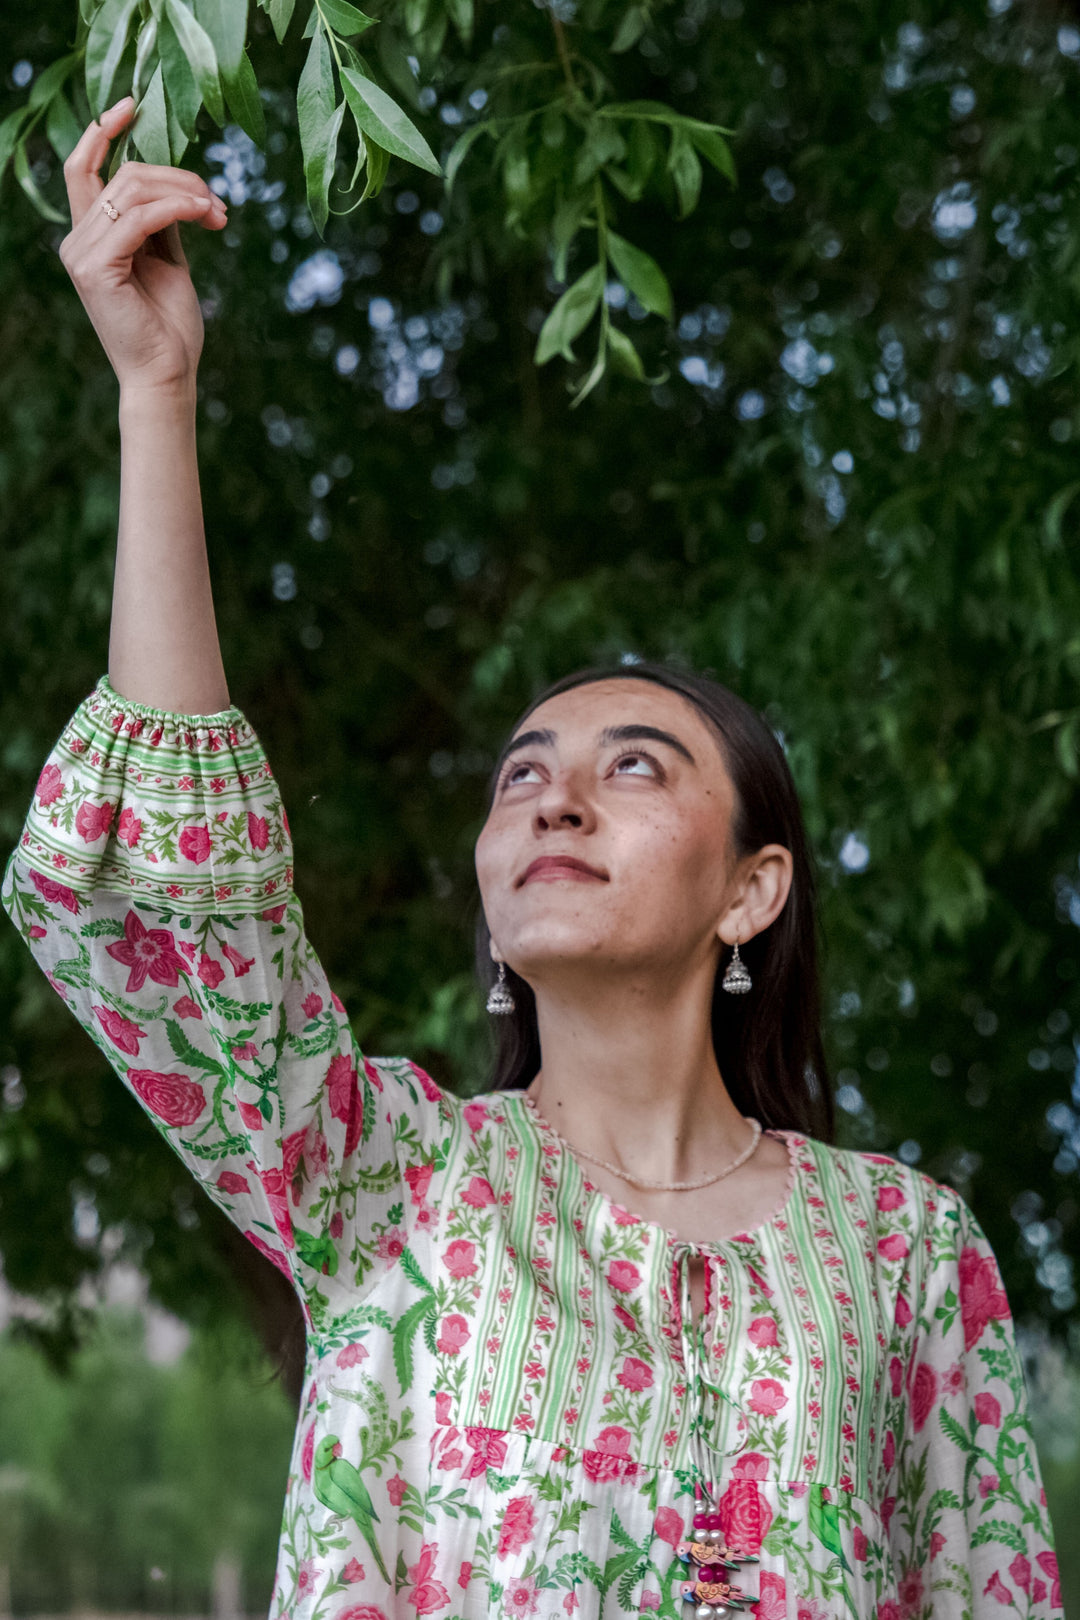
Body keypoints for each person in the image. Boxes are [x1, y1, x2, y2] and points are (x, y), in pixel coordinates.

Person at [1, 97, 1061, 1620]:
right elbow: (176, 898)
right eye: (521, 777)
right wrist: (156, 393)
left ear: (753, 888)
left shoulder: (907, 1251)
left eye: (634, 767)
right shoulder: (382, 1183)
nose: (555, 801)